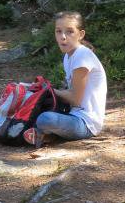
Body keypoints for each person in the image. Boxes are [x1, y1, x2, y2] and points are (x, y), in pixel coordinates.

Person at [26, 11, 107, 145]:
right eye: (59, 31)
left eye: (70, 32)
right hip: (72, 115)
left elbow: (75, 99)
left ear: (80, 34)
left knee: (45, 119)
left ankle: (43, 134)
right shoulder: (68, 57)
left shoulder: (82, 57)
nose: (63, 37)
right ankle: (44, 135)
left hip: (86, 123)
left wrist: (50, 91)